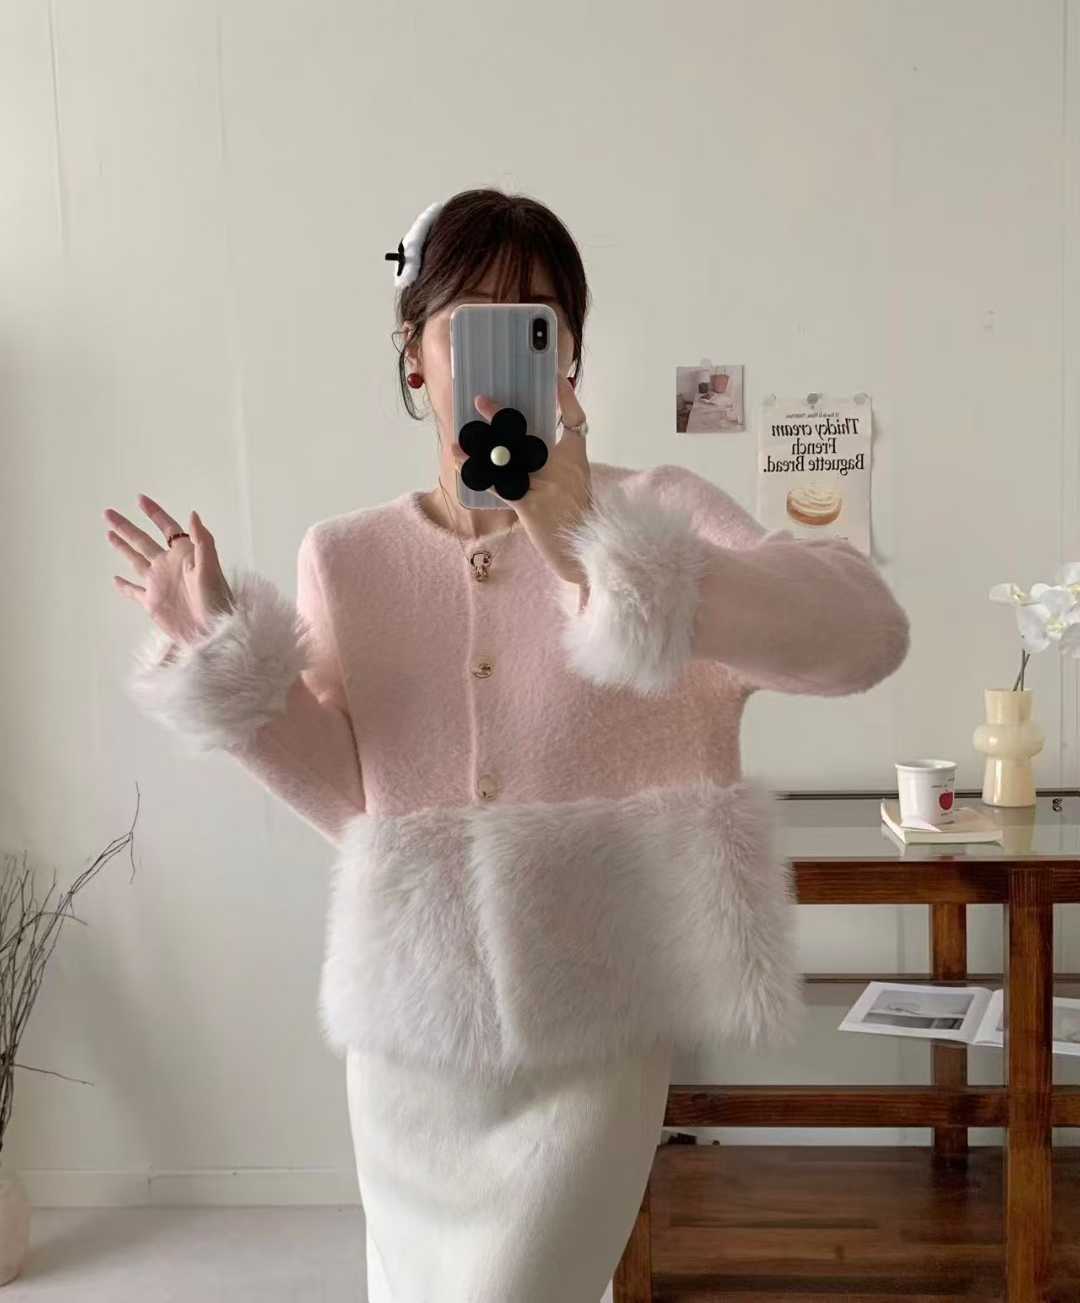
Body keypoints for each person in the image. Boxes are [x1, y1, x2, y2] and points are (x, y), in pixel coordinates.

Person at [106, 187, 911, 1303]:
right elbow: (360, 803)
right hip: (412, 1048)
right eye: (464, 326)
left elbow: (866, 634)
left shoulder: (655, 511)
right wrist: (218, 649)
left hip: (598, 1030)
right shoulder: (346, 557)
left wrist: (599, 550)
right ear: (415, 355)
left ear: (569, 355)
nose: (497, 360)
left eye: (535, 326)